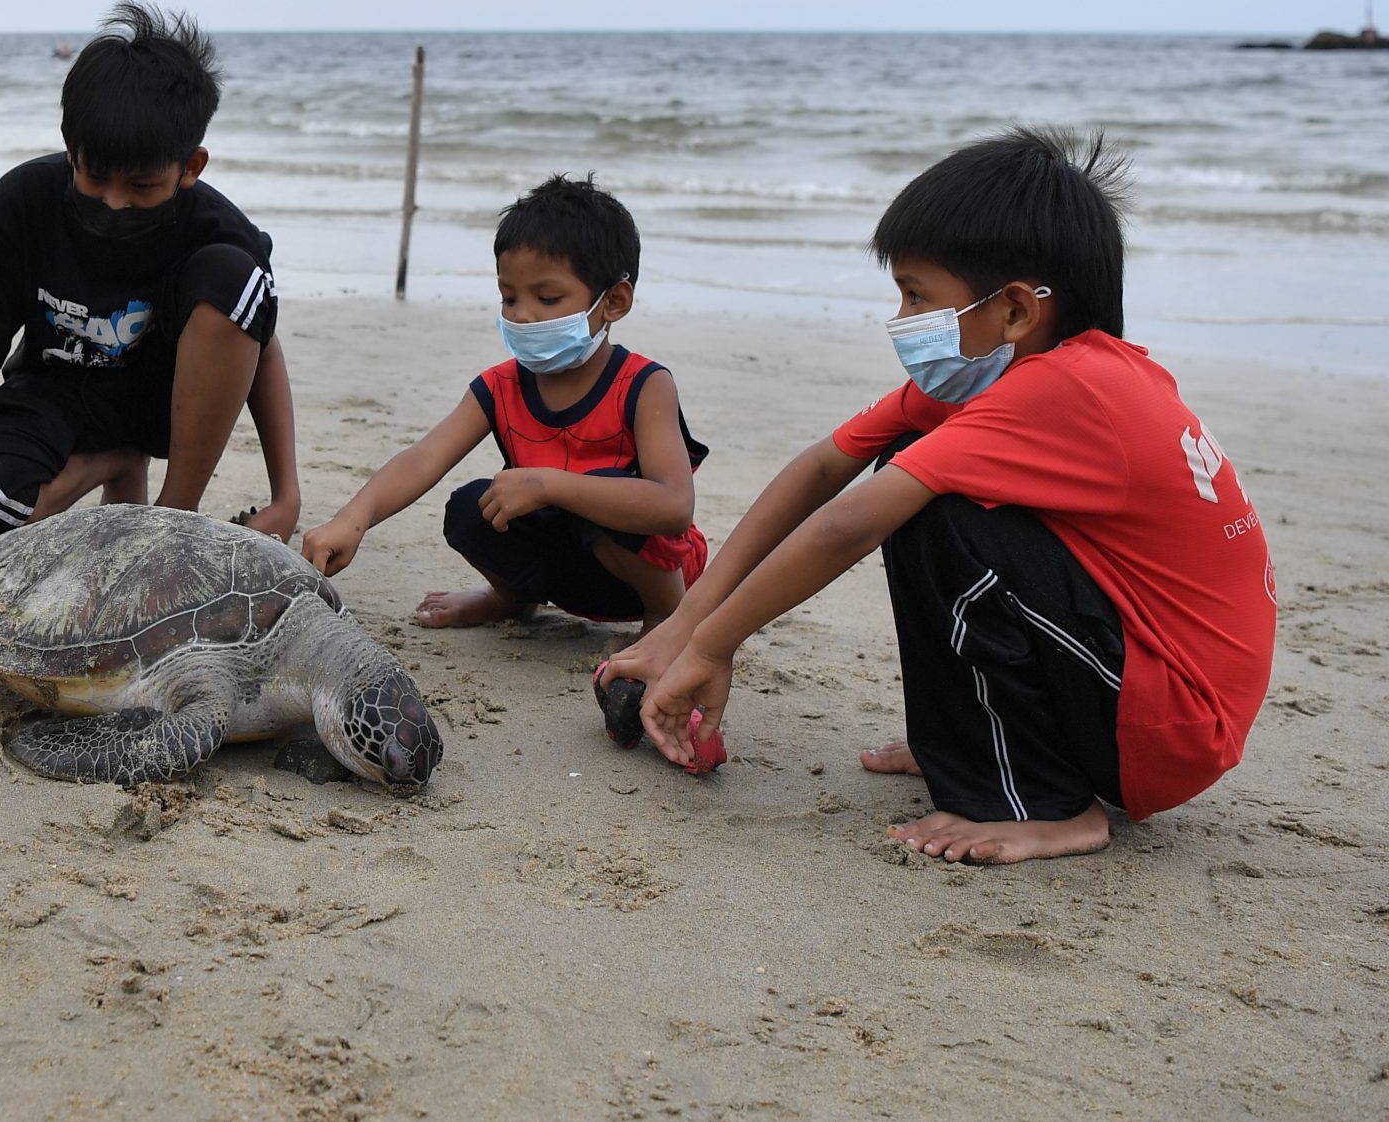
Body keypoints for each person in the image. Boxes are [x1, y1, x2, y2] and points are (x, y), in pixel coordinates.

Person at [601, 129, 1277, 865]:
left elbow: (847, 524)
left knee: (936, 509)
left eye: (918, 295)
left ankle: (1052, 806)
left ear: (1017, 311)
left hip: (1172, 721)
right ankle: (979, 748)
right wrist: (685, 624)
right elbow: (823, 470)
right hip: (1140, 684)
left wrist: (711, 644)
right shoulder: (1009, 378)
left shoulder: (1064, 390)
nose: (901, 315)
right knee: (914, 473)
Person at [0, 2, 299, 551]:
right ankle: (116, 463)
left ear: (191, 168)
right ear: (69, 143)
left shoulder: (219, 231)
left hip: (166, 403)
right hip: (54, 395)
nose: (114, 202)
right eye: (95, 177)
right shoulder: (23, 202)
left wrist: (285, 497)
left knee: (236, 277)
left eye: (143, 187)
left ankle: (173, 518)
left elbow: (260, 346)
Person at [301, 176, 709, 633]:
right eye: (509, 297)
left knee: (607, 498)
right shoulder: (501, 386)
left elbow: (673, 506)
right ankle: (512, 599)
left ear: (613, 300)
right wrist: (351, 520)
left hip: (644, 578)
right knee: (470, 507)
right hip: (565, 569)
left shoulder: (643, 384)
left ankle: (668, 623)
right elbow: (424, 458)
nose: (521, 315)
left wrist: (550, 485)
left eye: (547, 298)